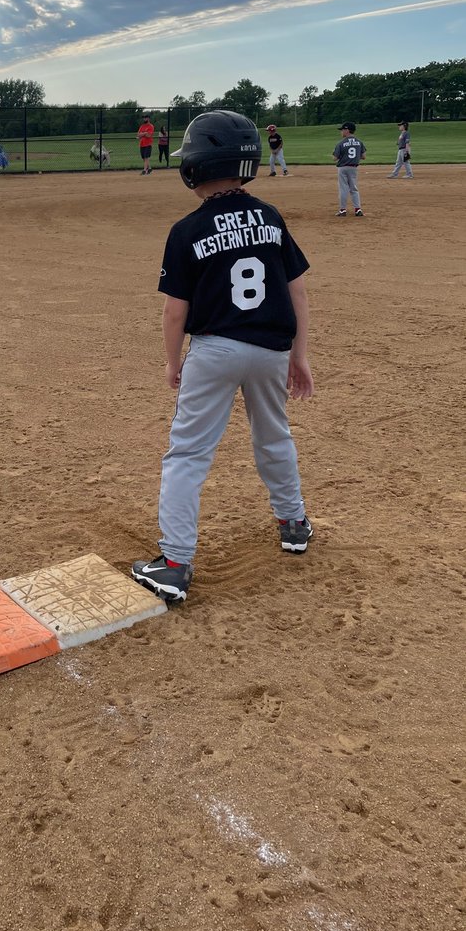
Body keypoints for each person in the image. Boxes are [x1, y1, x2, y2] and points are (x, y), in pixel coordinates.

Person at [130, 111, 313, 606]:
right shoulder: (270, 217)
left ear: (194, 165)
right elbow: (297, 292)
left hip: (215, 349)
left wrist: (173, 362)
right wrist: (301, 355)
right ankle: (293, 523)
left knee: (188, 454)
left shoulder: (188, 228)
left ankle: (173, 564)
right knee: (274, 436)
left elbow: (175, 311)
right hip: (272, 350)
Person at [334, 122, 366, 217]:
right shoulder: (359, 142)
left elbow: (335, 158)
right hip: (353, 168)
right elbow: (363, 156)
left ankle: (343, 210)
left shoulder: (341, 143)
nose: (341, 132)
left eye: (343, 130)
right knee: (354, 189)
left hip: (343, 168)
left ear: (347, 130)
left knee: (343, 189)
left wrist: (344, 157)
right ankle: (358, 209)